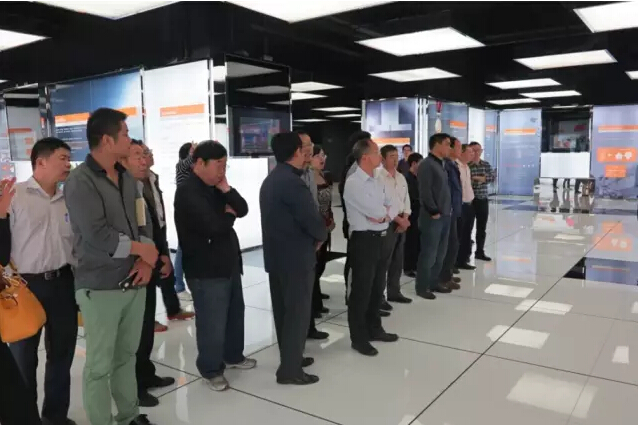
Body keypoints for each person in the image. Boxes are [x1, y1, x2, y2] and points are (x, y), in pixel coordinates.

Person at [64, 108, 158, 425]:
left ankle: (129, 415)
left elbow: (143, 221)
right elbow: (97, 235)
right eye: (125, 134)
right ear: (107, 140)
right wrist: (141, 249)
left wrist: (146, 260)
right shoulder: (79, 181)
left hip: (135, 281)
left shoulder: (127, 177)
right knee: (99, 365)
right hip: (100, 286)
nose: (130, 140)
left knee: (126, 357)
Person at [0, 138, 77, 425]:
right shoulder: (15, 196)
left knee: (62, 355)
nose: (68, 164)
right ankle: (26, 419)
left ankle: (55, 416)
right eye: (62, 158)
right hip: (24, 287)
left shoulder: (68, 199)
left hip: (62, 283)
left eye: (69, 158)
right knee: (23, 358)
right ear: (40, 162)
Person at [174, 141, 256, 392]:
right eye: (218, 165)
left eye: (225, 165)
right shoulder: (188, 191)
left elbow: (243, 208)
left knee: (234, 314)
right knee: (212, 322)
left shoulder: (217, 187)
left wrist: (227, 190)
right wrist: (228, 214)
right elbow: (214, 226)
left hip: (228, 262)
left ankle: (233, 355)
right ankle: (211, 369)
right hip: (206, 268)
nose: (222, 171)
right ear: (200, 163)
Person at [260, 132, 327, 385]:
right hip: (296, 260)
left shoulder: (272, 179)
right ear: (297, 151)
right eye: (304, 148)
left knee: (284, 314)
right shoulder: (293, 183)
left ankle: (291, 358)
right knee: (297, 315)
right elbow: (312, 220)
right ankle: (290, 370)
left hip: (277, 258)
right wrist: (320, 236)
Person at [122, 140, 176, 407]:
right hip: (130, 268)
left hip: (150, 260)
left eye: (145, 154)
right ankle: (133, 386)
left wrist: (162, 254)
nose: (144, 160)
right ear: (122, 160)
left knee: (145, 327)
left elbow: (156, 223)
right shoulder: (119, 190)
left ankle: (145, 373)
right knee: (133, 333)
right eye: (137, 155)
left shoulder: (144, 184)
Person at [343, 137, 399, 357]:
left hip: (380, 237)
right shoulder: (353, 183)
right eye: (377, 153)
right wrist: (383, 213)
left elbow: (394, 203)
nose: (380, 156)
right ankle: (359, 338)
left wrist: (384, 215)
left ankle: (374, 328)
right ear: (365, 157)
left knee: (377, 288)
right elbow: (375, 211)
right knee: (361, 291)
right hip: (363, 240)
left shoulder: (378, 178)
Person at [140, 143, 195, 333]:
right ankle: (148, 320)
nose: (149, 155)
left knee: (166, 272)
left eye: (148, 152)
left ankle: (173, 309)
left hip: (159, 228)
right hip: (146, 233)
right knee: (150, 276)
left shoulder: (152, 177)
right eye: (144, 153)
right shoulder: (134, 181)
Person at [415, 133, 453, 300]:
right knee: (429, 253)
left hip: (445, 215)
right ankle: (422, 286)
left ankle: (434, 282)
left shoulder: (441, 164)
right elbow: (425, 191)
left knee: (440, 253)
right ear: (437, 144)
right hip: (433, 217)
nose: (449, 148)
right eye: (447, 144)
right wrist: (433, 210)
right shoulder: (426, 164)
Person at [376, 145, 412, 305]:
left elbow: (406, 199)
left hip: (402, 221)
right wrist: (399, 220)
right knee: (384, 261)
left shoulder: (401, 177)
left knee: (398, 260)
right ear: (382, 159)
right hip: (388, 222)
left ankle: (394, 291)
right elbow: (381, 203)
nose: (395, 159)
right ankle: (379, 297)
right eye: (391, 156)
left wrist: (405, 217)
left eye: (396, 156)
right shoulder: (378, 177)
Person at [308, 145, 333, 341]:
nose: (322, 158)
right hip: (315, 228)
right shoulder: (307, 178)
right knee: (314, 268)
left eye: (323, 155)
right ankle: (314, 304)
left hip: (326, 227)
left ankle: (317, 298)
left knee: (322, 264)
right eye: (317, 155)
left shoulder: (324, 176)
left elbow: (328, 203)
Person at [438, 138, 462, 290]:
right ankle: (443, 277)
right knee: (449, 245)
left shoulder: (453, 164)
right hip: (448, 210)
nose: (460, 150)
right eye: (458, 147)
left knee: (453, 244)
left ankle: (448, 274)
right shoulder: (445, 165)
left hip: (454, 209)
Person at [173, 142, 196, 301]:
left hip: (192, 211)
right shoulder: (181, 165)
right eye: (192, 151)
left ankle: (183, 285)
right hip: (184, 212)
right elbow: (190, 160)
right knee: (182, 249)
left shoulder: (192, 171)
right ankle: (179, 286)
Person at [468, 142, 494, 262]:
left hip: (482, 199)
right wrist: (482, 179)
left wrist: (477, 178)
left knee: (481, 228)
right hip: (470, 201)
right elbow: (467, 181)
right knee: (467, 227)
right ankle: (466, 253)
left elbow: (492, 177)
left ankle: (480, 251)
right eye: (474, 150)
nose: (476, 153)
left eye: (479, 150)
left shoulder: (485, 164)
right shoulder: (467, 165)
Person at [456, 144, 476, 270]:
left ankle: (464, 259)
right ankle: (457, 260)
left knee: (467, 233)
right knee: (459, 234)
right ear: (462, 153)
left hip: (469, 204)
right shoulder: (456, 167)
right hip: (461, 205)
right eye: (470, 152)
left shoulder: (467, 167)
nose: (472, 154)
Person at [403, 153, 423, 277]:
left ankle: (416, 264)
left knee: (418, 241)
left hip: (420, 214)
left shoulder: (419, 178)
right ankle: (408, 267)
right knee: (410, 241)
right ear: (414, 163)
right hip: (411, 214)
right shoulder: (406, 178)